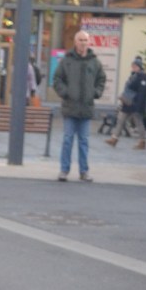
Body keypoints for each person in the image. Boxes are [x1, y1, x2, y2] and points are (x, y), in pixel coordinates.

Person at [53, 29, 106, 183]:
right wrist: (65, 92)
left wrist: (95, 93)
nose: (83, 43)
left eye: (85, 40)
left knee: (84, 141)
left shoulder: (94, 62)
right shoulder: (67, 60)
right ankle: (64, 170)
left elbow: (101, 79)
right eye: (80, 40)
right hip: (70, 107)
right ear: (75, 42)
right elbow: (57, 79)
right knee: (67, 140)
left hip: (86, 108)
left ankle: (84, 171)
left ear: (88, 42)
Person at [105, 57, 146, 149]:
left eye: (134, 66)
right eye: (132, 66)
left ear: (139, 66)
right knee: (120, 120)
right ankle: (114, 138)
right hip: (127, 103)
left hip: (135, 104)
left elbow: (142, 93)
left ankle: (142, 141)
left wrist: (138, 105)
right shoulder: (133, 75)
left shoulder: (143, 77)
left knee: (138, 122)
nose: (133, 67)